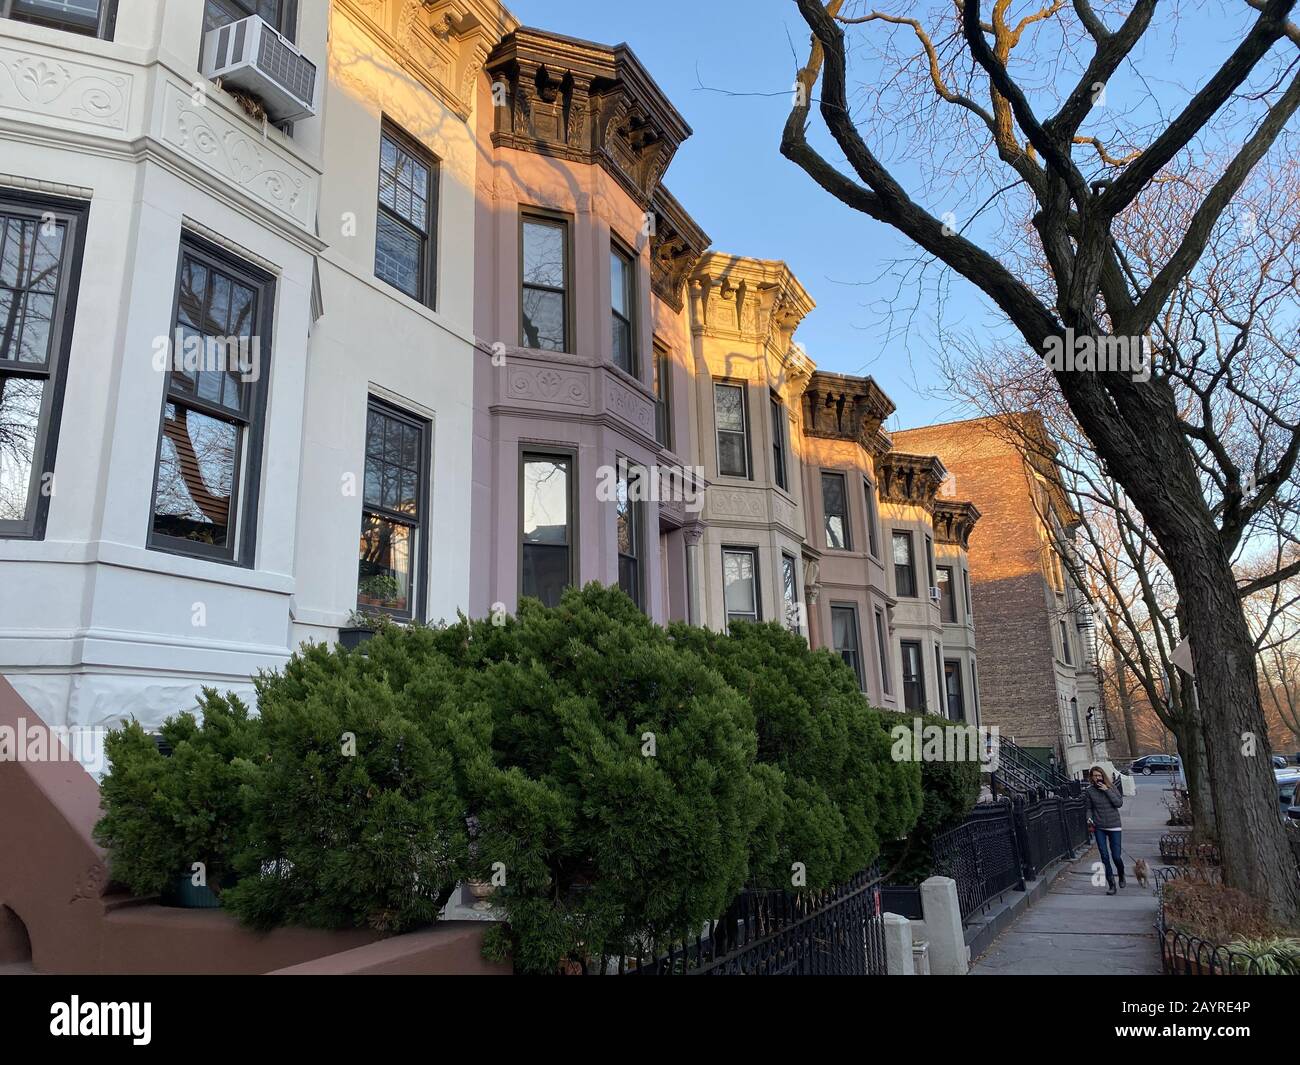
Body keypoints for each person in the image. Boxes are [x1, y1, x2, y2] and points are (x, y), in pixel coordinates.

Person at [1085, 765, 1125, 895]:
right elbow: (1089, 808)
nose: (1098, 778)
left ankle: (1121, 873)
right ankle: (1111, 884)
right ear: (1091, 777)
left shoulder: (1112, 787)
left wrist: (1107, 790)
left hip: (1114, 825)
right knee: (1104, 856)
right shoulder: (1090, 791)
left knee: (1116, 856)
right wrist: (1089, 818)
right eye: (1095, 776)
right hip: (1099, 826)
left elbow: (1118, 803)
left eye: (1099, 776)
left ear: (1103, 776)